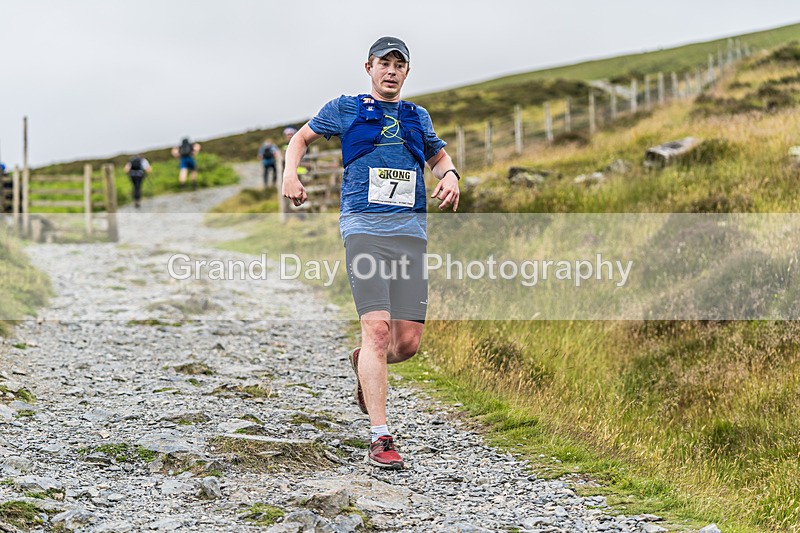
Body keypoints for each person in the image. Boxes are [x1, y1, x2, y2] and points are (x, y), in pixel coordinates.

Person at [282, 36, 460, 469]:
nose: (391, 71)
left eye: (399, 65)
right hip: (363, 229)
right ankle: (381, 437)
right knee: (377, 331)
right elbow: (300, 139)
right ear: (369, 67)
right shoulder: (346, 108)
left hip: (410, 234)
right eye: (385, 63)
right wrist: (290, 173)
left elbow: (438, 158)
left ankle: (364, 363)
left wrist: (451, 174)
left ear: (407, 72)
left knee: (407, 344)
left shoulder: (417, 116)